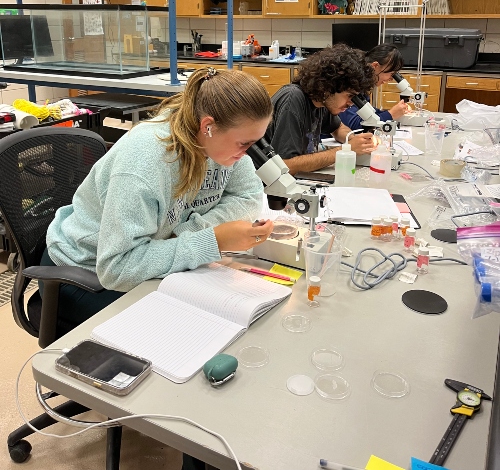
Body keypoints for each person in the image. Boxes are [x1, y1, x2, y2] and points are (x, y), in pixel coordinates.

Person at [42, 67, 275, 327]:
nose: (247, 152)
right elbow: (117, 268)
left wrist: (192, 232)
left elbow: (249, 195)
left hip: (148, 259)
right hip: (85, 271)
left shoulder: (224, 144)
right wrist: (210, 240)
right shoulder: (145, 162)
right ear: (207, 126)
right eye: (243, 143)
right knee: (191, 327)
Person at [265, 44, 376, 175]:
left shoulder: (321, 102)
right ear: (328, 87)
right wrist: (346, 149)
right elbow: (286, 166)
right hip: (270, 186)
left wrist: (357, 141)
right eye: (350, 96)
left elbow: (338, 128)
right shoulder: (293, 99)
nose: (351, 103)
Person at [337, 44, 408, 131]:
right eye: (391, 74)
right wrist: (391, 114)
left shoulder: (362, 84)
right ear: (375, 66)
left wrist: (392, 111)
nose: (391, 79)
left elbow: (367, 112)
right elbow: (354, 124)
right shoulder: (350, 85)